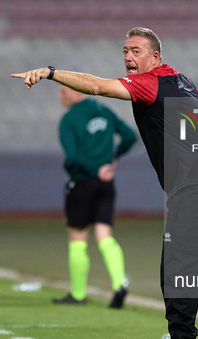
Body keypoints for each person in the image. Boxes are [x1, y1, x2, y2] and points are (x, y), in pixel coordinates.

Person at [12, 27, 198, 339]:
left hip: (194, 187)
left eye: (136, 51)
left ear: (154, 58)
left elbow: (97, 86)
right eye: (125, 51)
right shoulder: (181, 80)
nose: (129, 57)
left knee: (178, 270)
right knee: (176, 269)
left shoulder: (149, 84)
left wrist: (51, 73)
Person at [51, 85, 136, 308]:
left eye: (63, 91)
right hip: (106, 184)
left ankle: (78, 295)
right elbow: (129, 136)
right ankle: (119, 283)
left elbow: (73, 157)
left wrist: (95, 168)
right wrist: (112, 159)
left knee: (78, 238)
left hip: (81, 183)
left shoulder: (69, 120)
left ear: (76, 91)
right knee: (104, 234)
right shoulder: (104, 111)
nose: (60, 96)